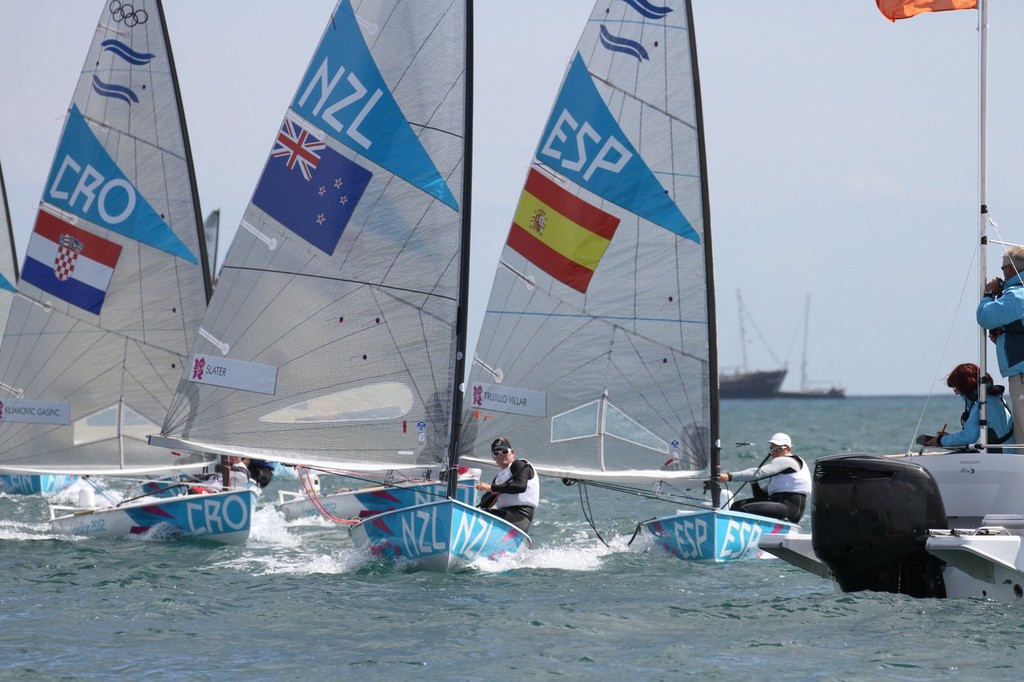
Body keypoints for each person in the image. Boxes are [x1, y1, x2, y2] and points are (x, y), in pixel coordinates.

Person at [977, 245, 1024, 442]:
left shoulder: (1016, 294)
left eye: (1004, 268)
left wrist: (988, 294)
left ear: (1012, 269)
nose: (1002, 272)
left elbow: (985, 317)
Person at [917, 363, 1014, 452]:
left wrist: (940, 440)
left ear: (964, 386)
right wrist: (948, 438)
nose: (956, 392)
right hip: (1008, 452)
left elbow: (969, 437)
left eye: (956, 388)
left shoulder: (981, 404)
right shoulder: (996, 398)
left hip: (997, 457)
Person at [718, 432, 811, 523]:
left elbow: (759, 473)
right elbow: (762, 496)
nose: (774, 452)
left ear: (789, 449)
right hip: (784, 507)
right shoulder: (784, 474)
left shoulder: (787, 460)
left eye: (778, 449)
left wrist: (728, 477)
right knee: (736, 505)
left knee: (741, 509)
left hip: (788, 509)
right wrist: (753, 482)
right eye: (772, 448)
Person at [476, 437, 539, 533]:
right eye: (496, 454)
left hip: (519, 516)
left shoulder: (519, 464)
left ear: (512, 452)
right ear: (493, 457)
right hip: (506, 515)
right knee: (479, 512)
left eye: (504, 452)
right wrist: (491, 490)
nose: (501, 456)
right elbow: (485, 504)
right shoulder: (498, 478)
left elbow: (520, 486)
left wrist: (492, 487)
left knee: (479, 516)